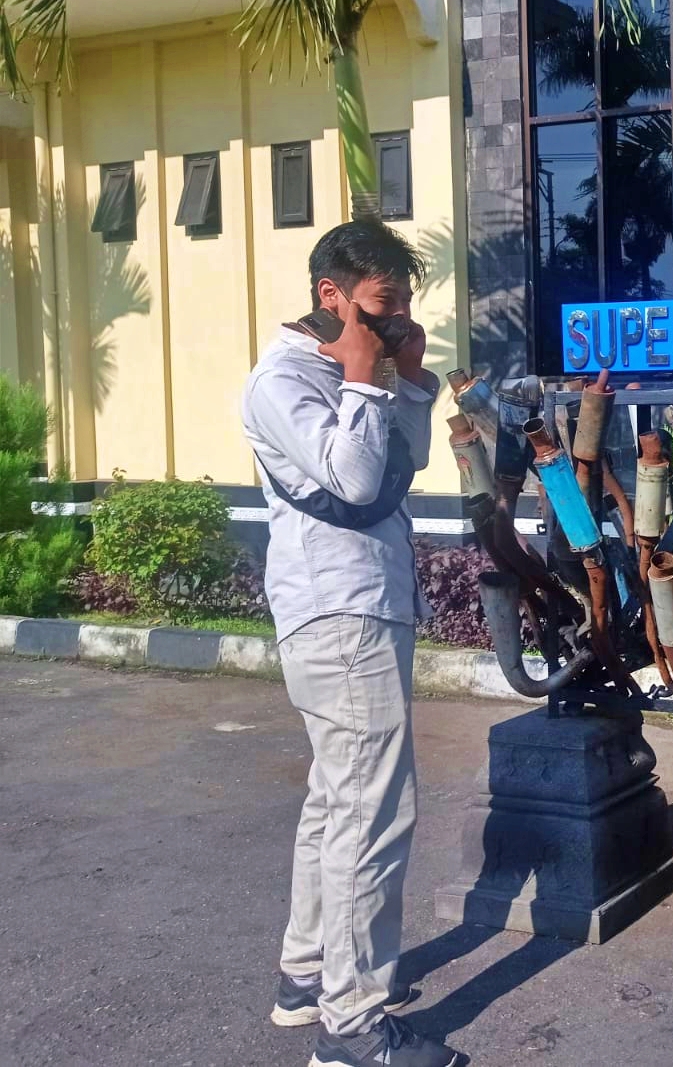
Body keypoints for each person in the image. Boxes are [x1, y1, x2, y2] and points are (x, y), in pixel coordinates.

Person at [241, 221, 462, 1067]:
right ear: (330, 296)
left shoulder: (352, 362)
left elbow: (404, 464)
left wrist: (410, 380)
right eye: (381, 305)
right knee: (373, 811)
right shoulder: (285, 379)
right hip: (337, 612)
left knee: (338, 803)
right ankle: (354, 1027)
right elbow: (357, 479)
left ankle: (307, 980)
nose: (395, 319)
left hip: (365, 605)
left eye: (403, 304)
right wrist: (367, 376)